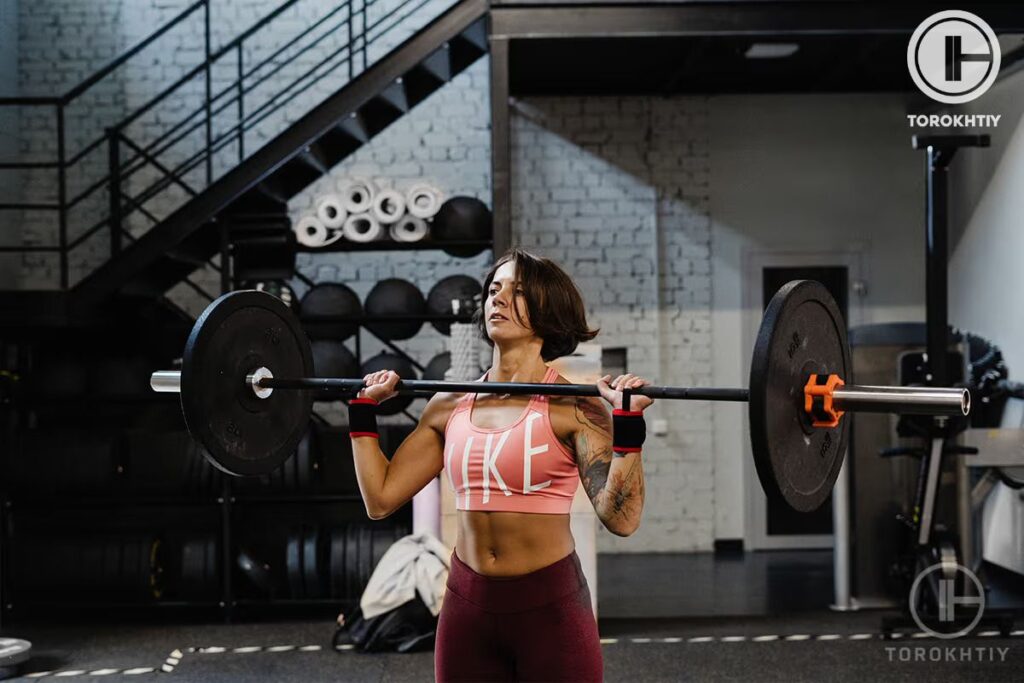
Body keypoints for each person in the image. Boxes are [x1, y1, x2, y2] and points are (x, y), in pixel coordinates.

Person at [347, 248, 651, 682]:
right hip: (466, 608)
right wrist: (361, 413)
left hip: (550, 609)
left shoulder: (575, 407)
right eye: (494, 289)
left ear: (549, 310)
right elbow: (379, 499)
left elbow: (621, 519)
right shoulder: (447, 404)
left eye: (518, 291)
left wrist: (628, 428)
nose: (498, 299)